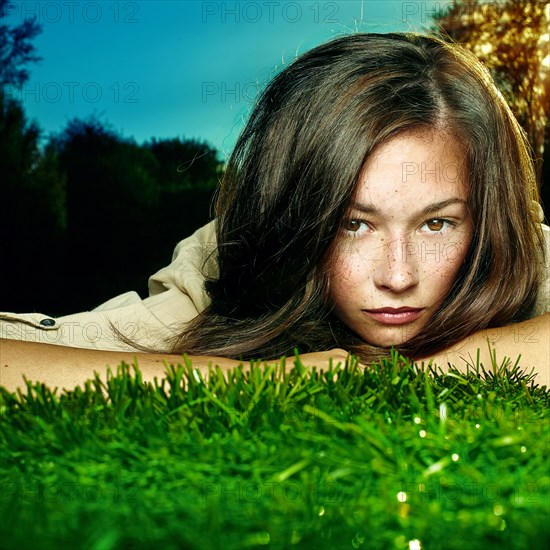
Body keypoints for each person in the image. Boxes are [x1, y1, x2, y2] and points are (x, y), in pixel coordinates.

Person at [1, 32, 549, 393]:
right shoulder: (227, 269)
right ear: (298, 217)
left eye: (437, 223)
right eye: (351, 225)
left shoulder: (520, 256)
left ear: (486, 217)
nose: (398, 276)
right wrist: (257, 378)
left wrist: (363, 373)